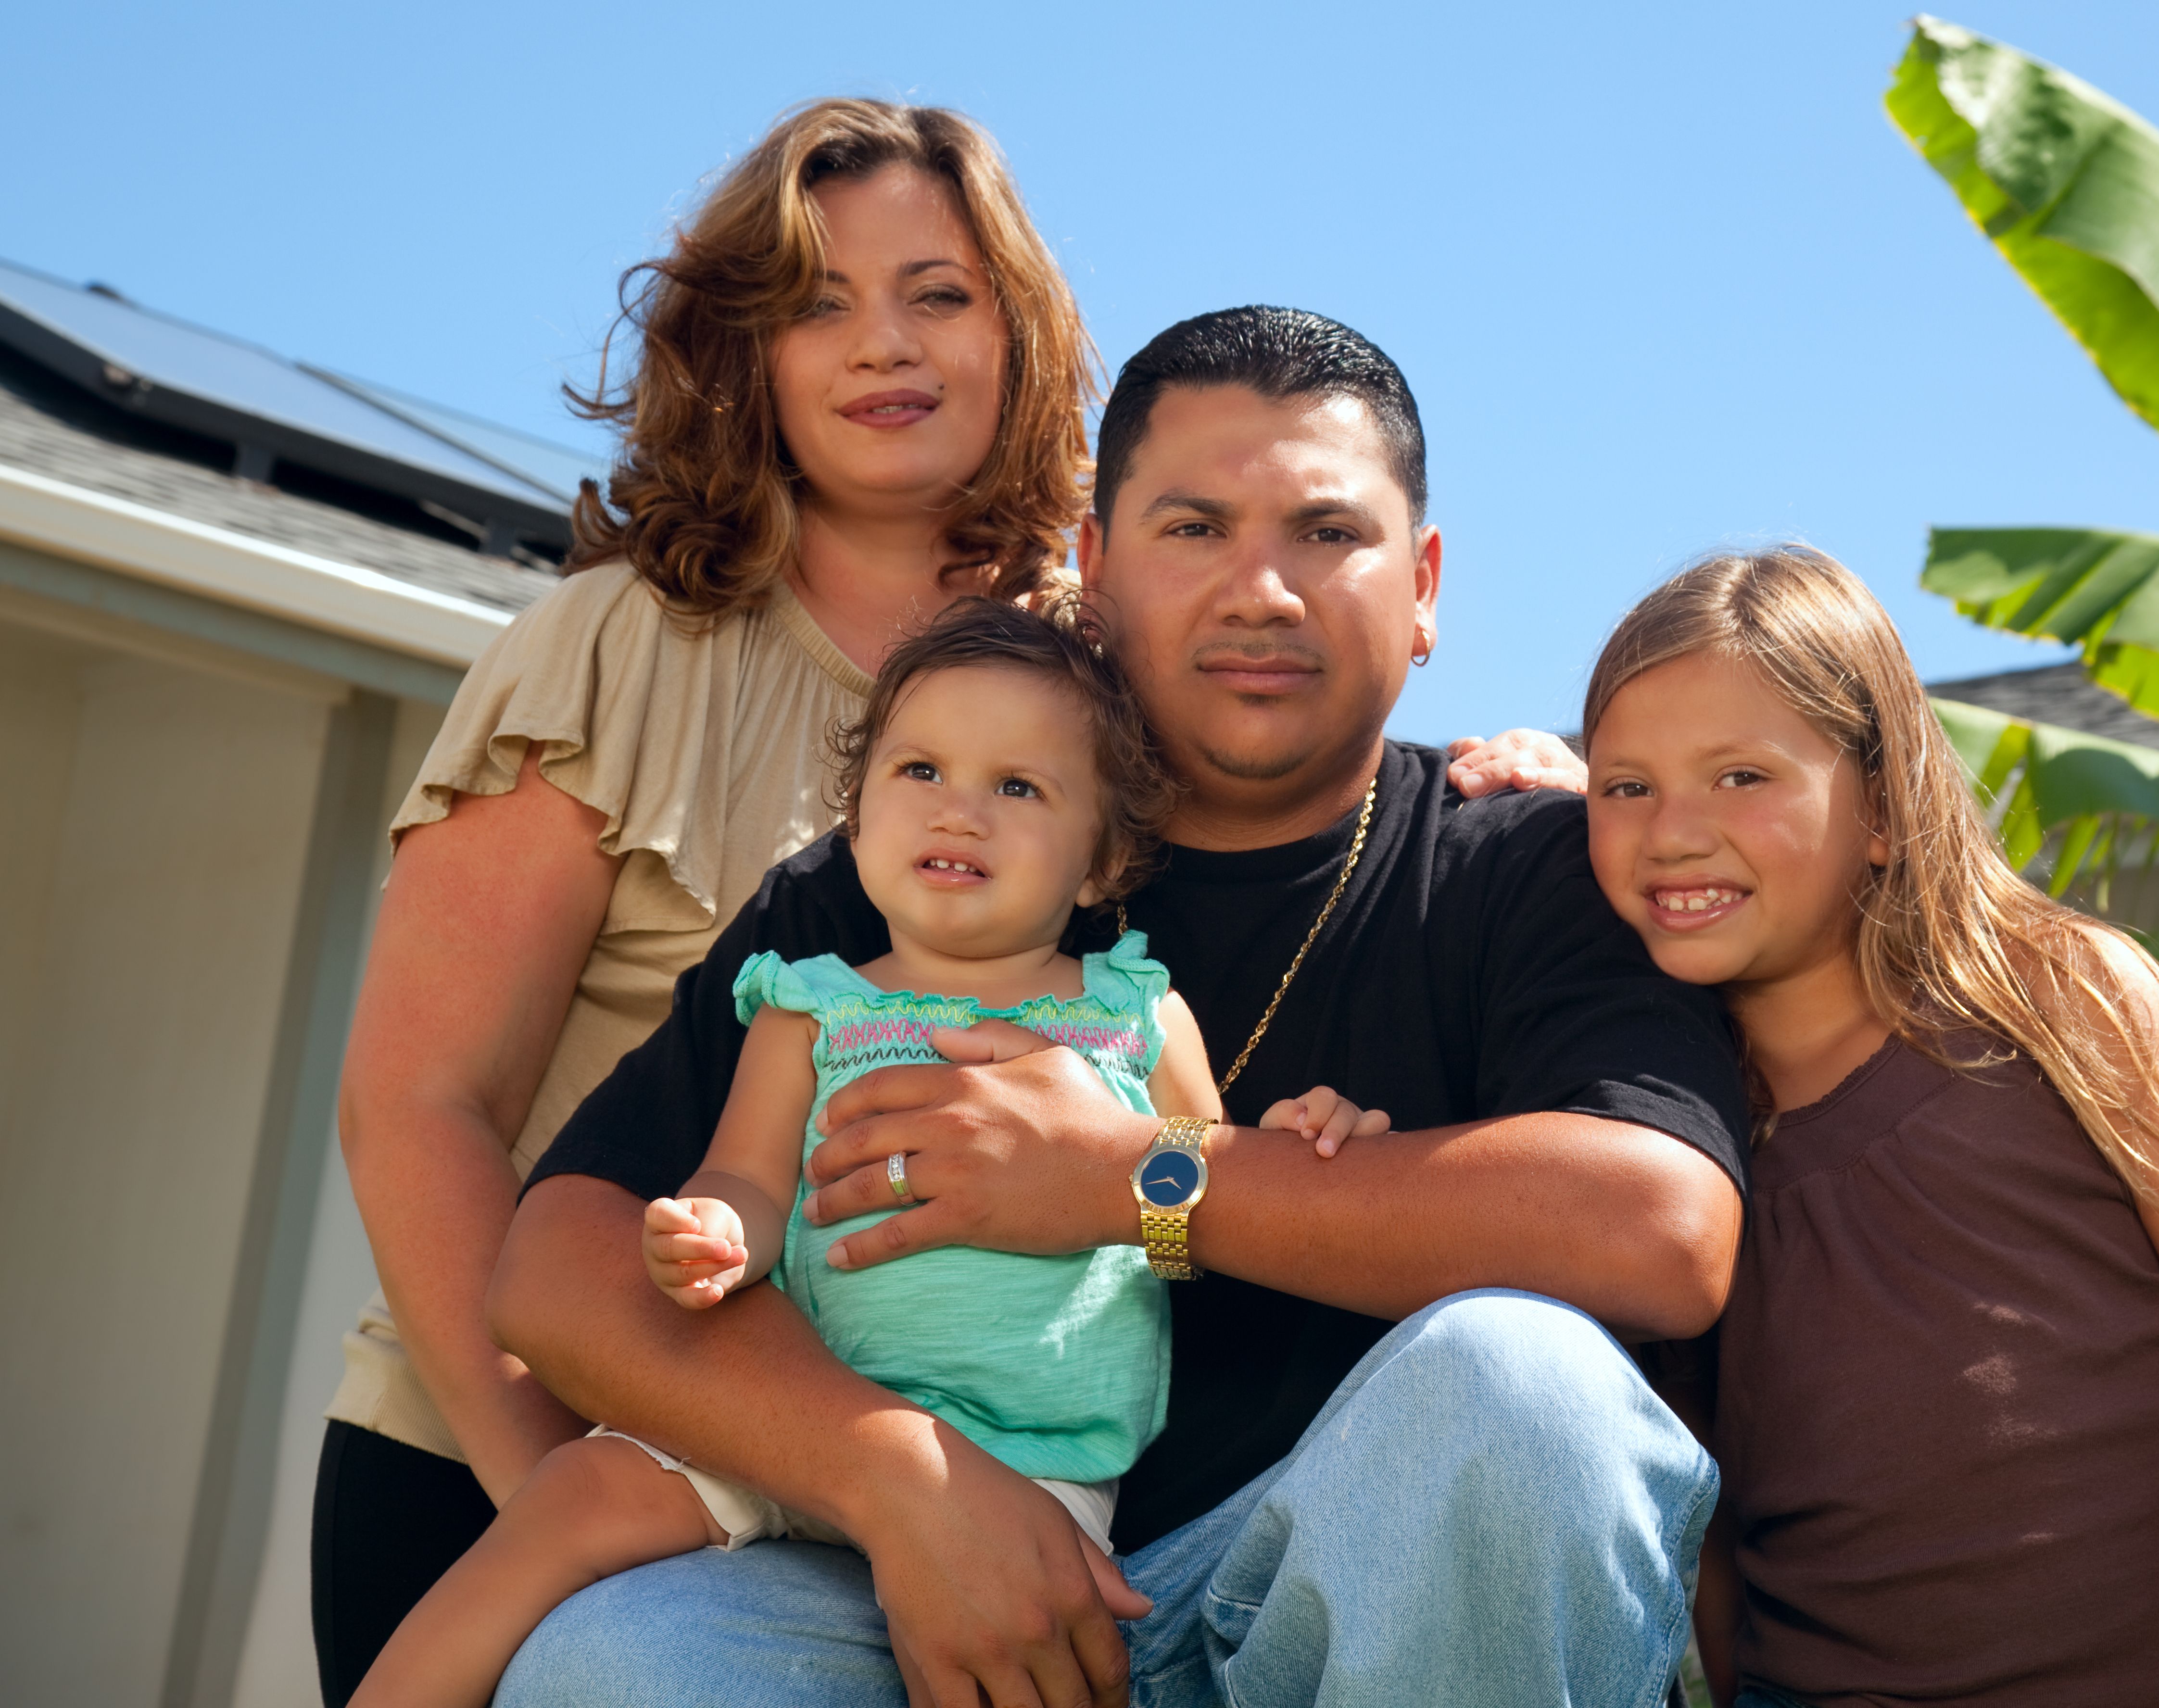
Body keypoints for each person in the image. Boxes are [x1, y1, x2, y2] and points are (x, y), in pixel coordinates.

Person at [316, 101, 1563, 1701]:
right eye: (816, 302)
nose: (881, 344)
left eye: (938, 293)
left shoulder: (1098, 657)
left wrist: (1534, 768)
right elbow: (420, 1109)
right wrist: (575, 1479)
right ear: (740, 352)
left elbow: (1309, 730)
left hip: (962, 1462)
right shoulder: (612, 650)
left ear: (1018, 331)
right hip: (542, 1435)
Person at [484, 306, 1752, 1708]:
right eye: (1194, 528)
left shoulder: (1519, 864)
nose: (1262, 590)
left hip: (1324, 1601)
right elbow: (560, 1268)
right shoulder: (923, 856)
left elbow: (1663, 1230)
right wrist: (898, 1478)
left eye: (1328, 534)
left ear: (1426, 585)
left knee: (1529, 1389)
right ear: (1093, 569)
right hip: (909, 1586)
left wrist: (1125, 1179)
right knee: (617, 1664)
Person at [353, 599, 1393, 1708]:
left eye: (1018, 787)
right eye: (921, 772)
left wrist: (1293, 1145)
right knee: (574, 1497)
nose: (962, 812)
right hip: (809, 1427)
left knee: (1001, 1661)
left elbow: (1196, 1207)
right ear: (855, 823)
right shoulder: (812, 1009)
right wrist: (714, 1234)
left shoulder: (1134, 1017)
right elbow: (746, 1178)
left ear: (1103, 860)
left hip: (1035, 1458)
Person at [1582, 548, 2159, 1708]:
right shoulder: (1667, 1143)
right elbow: (1716, 1548)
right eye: (1623, 787)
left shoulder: (2065, 997)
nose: (1673, 832)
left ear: (1887, 809)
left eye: (1742, 776)